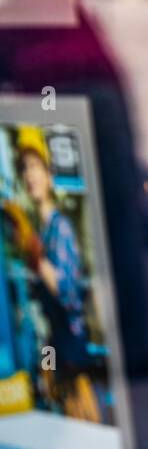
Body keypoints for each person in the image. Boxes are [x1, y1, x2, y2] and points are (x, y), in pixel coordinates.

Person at [0, 126, 100, 422]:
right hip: (56, 348)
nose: (29, 176)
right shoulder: (45, 230)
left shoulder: (61, 228)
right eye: (24, 169)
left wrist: (33, 250)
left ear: (48, 173)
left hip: (72, 352)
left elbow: (66, 290)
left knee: (84, 419)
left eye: (34, 167)